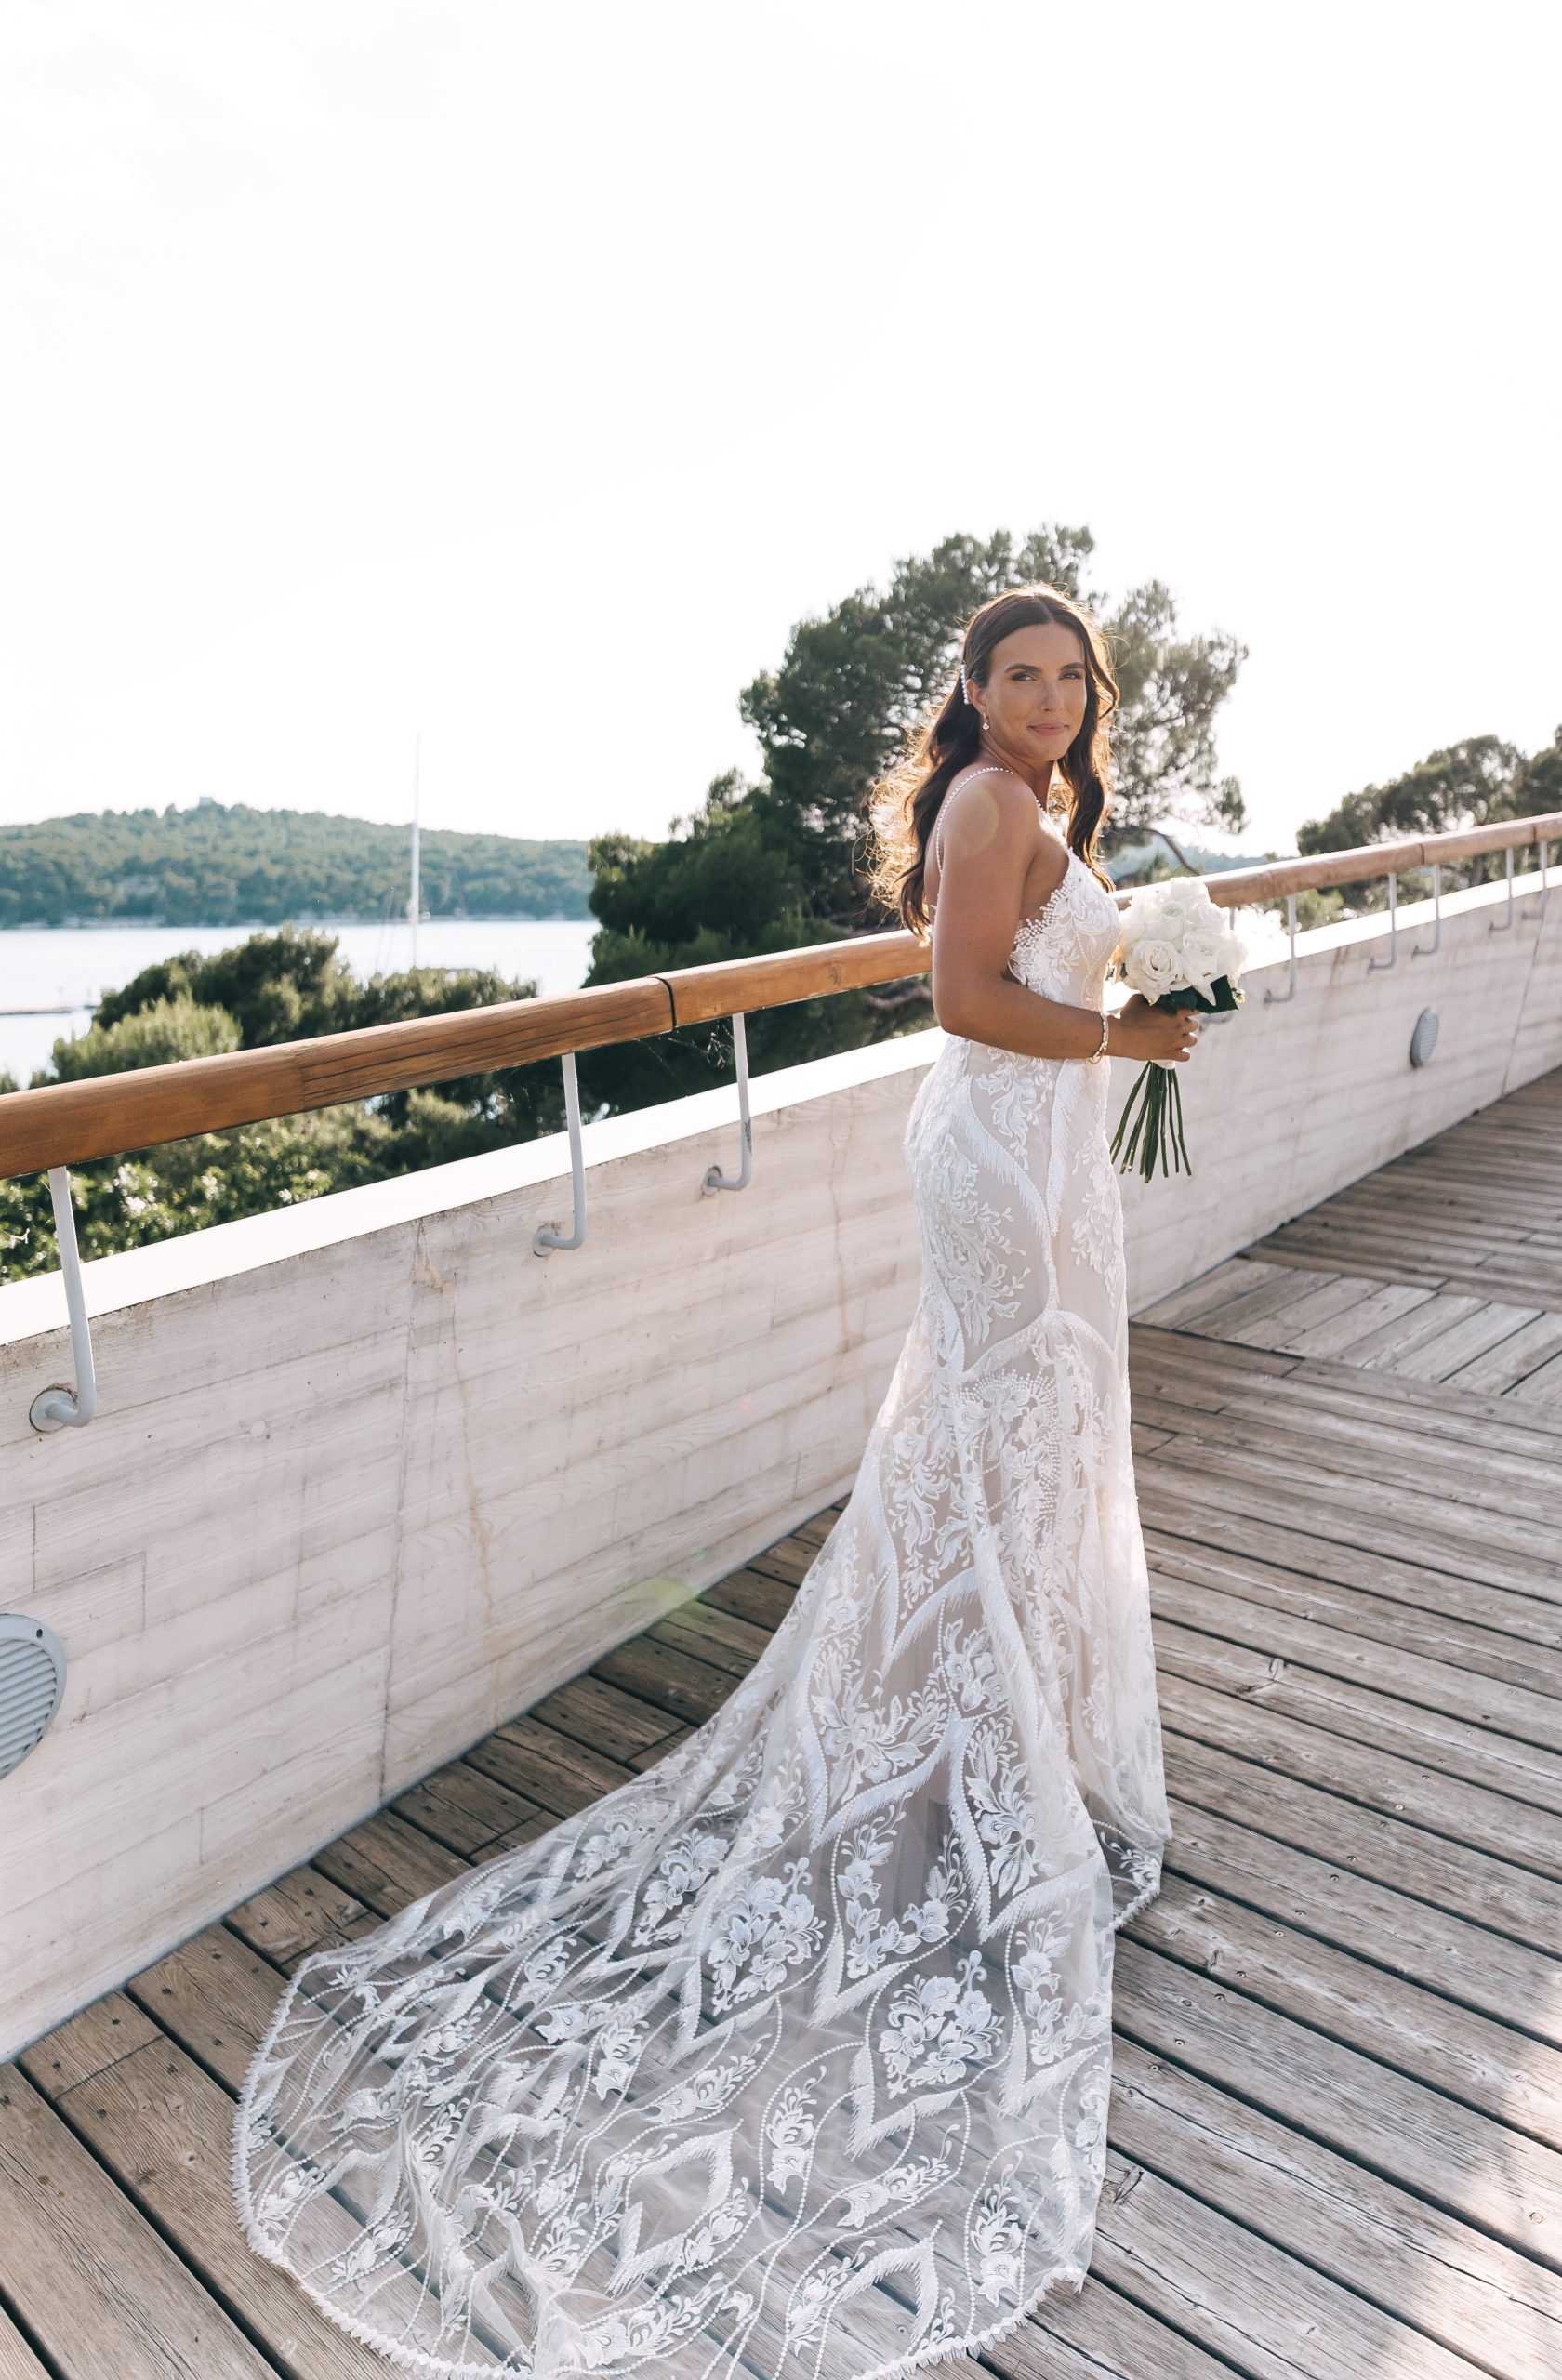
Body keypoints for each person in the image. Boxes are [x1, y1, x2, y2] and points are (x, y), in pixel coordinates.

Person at [234, 583, 1195, 2380]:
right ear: (973, 689)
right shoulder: (993, 800)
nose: (1051, 698)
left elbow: (1039, 972)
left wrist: (1134, 999)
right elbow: (967, 1001)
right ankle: (943, 1772)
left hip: (1046, 1152)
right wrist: (1130, 1039)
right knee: (987, 1447)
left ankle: (974, 1760)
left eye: (1072, 677)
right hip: (1003, 1159)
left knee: (1012, 1457)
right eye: (1022, 674)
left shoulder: (1045, 801)